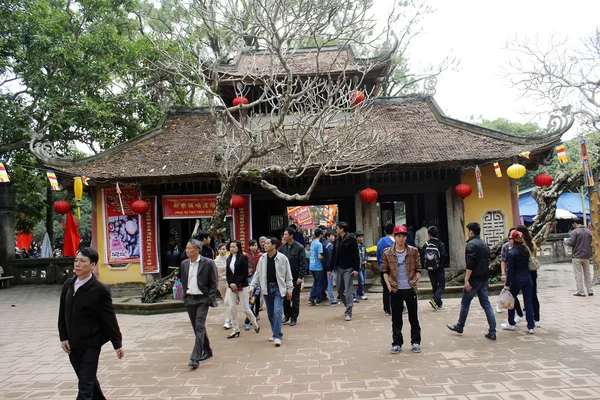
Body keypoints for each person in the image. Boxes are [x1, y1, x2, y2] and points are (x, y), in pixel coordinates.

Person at [58, 247, 125, 399]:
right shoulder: (68, 285)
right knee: (88, 380)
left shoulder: (99, 289)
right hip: (73, 345)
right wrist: (63, 337)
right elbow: (62, 314)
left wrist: (117, 343)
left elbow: (109, 318)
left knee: (85, 386)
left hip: (91, 345)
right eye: (76, 260)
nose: (77, 264)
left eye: (82, 261)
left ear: (93, 265)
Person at [447, 222, 497, 341]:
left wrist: (466, 280)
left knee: (465, 303)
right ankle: (492, 330)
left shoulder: (471, 245)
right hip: (484, 279)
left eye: (468, 230)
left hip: (473, 279)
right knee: (486, 305)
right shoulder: (484, 244)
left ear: (471, 232)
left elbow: (470, 264)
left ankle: (460, 326)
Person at [177, 239, 218, 369]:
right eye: (186, 248)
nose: (187, 250)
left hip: (203, 299)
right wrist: (185, 295)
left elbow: (214, 281)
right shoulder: (184, 264)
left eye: (190, 248)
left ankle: (195, 358)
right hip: (190, 298)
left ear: (197, 250)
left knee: (199, 326)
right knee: (197, 328)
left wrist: (210, 298)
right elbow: (183, 280)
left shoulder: (208, 263)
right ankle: (208, 350)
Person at [382, 225, 422, 353]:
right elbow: (385, 271)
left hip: (409, 288)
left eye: (403, 236)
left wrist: (417, 279)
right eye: (398, 236)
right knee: (396, 319)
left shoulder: (413, 251)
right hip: (396, 289)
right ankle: (397, 343)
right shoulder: (387, 252)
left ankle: (415, 342)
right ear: (394, 236)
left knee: (413, 317)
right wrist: (389, 287)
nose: (401, 238)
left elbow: (418, 268)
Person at [249, 237, 293, 347]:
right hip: (267, 289)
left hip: (279, 288)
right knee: (270, 314)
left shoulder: (283, 258)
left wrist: (289, 289)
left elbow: (288, 275)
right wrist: (252, 286)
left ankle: (277, 336)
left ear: (274, 245)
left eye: (268, 243)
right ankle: (277, 332)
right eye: (264, 243)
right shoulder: (262, 259)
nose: (265, 245)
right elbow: (257, 274)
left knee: (277, 311)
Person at [501, 230, 536, 334]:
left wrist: (507, 284)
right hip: (527, 278)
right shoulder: (526, 250)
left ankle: (511, 323)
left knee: (511, 301)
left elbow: (510, 269)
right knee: (528, 302)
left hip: (516, 279)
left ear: (514, 240)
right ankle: (531, 326)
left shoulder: (512, 253)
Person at [224, 240, 259, 338]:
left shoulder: (243, 257)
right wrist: (231, 283)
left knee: (245, 309)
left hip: (242, 285)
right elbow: (228, 273)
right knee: (232, 308)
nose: (232, 248)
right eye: (230, 247)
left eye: (234, 246)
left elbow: (245, 273)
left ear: (238, 247)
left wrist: (236, 283)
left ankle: (255, 323)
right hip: (231, 287)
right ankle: (235, 329)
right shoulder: (228, 259)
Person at [329, 222, 360, 321]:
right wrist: (330, 268)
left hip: (348, 268)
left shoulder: (351, 240)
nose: (336, 230)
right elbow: (333, 255)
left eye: (337, 228)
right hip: (338, 268)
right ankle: (348, 305)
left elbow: (356, 255)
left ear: (342, 229)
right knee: (339, 289)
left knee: (349, 289)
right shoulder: (337, 240)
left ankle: (348, 312)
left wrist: (356, 269)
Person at [279, 227, 307, 326]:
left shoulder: (299, 247)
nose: (284, 236)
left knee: (295, 299)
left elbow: (303, 263)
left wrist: (301, 277)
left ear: (291, 236)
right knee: (285, 298)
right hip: (284, 277)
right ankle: (287, 315)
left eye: (286, 234)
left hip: (295, 277)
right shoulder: (282, 248)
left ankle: (294, 317)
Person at [498, 228, 525, 321]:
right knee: (512, 295)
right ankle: (518, 315)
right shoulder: (506, 247)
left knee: (512, 295)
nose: (511, 240)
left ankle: (513, 320)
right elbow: (503, 260)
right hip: (513, 275)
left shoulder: (521, 249)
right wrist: (503, 273)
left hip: (517, 276)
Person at [564, 218, 594, 297]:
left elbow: (571, 242)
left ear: (574, 223)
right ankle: (590, 290)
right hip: (586, 255)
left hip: (577, 255)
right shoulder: (588, 231)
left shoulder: (575, 232)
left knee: (578, 274)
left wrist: (565, 240)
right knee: (587, 273)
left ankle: (581, 291)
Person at [422, 226, 448, 310]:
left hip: (430, 268)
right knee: (442, 285)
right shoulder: (440, 243)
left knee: (434, 285)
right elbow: (444, 255)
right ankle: (435, 299)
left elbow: (423, 256)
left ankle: (438, 303)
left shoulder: (426, 244)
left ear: (429, 234)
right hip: (439, 267)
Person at [376, 224, 395, 316]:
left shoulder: (380, 242)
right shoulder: (395, 242)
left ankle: (387, 309)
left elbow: (378, 255)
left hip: (383, 267)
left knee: (386, 289)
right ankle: (397, 306)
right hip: (394, 268)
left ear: (384, 232)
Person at [245, 239, 263, 330]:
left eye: (255, 245)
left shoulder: (261, 255)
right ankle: (251, 314)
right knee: (250, 297)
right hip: (249, 276)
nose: (254, 247)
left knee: (257, 296)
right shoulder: (246, 255)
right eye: (252, 245)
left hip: (258, 276)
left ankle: (257, 313)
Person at [214, 243, 232, 330]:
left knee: (227, 301)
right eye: (221, 249)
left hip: (229, 282)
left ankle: (227, 321)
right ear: (218, 250)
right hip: (220, 283)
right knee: (226, 301)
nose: (222, 251)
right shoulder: (215, 261)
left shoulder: (230, 259)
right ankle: (232, 318)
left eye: (224, 249)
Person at [308, 228, 326, 305]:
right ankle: (318, 299)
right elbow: (319, 256)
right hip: (318, 266)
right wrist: (325, 258)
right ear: (321, 235)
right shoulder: (319, 244)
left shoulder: (312, 243)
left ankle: (311, 298)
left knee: (315, 282)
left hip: (312, 265)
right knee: (319, 283)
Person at [324, 231, 340, 306]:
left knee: (330, 283)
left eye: (334, 236)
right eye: (331, 236)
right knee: (330, 283)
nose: (333, 237)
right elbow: (331, 258)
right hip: (330, 267)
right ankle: (332, 299)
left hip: (327, 266)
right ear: (327, 237)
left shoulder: (325, 244)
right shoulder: (330, 246)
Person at [355, 231, 368, 301]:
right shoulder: (354, 246)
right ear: (356, 238)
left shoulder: (363, 246)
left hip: (363, 265)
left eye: (361, 237)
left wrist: (366, 260)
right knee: (361, 280)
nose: (361, 239)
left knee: (363, 280)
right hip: (358, 266)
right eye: (359, 237)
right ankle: (361, 294)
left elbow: (366, 254)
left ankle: (358, 293)